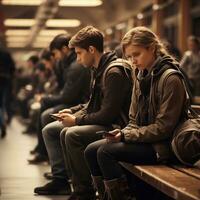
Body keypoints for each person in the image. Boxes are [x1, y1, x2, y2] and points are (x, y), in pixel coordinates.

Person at [84, 26, 188, 200]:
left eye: (137, 54)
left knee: (105, 152)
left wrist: (126, 136)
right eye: (130, 56)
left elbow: (164, 128)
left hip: (165, 146)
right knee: (90, 150)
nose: (133, 61)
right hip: (145, 140)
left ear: (152, 48)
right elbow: (133, 120)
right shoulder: (140, 75)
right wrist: (123, 132)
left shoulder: (171, 79)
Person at [34, 26, 132, 199]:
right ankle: (75, 185)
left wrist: (76, 121)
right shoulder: (98, 69)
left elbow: (108, 114)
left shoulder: (113, 72)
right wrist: (72, 111)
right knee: (57, 130)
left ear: (91, 50)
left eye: (79, 53)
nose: (78, 59)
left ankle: (83, 191)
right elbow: (93, 104)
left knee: (71, 134)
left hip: (118, 127)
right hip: (107, 122)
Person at [28, 34, 91, 164]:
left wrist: (77, 117)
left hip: (77, 103)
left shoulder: (76, 67)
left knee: (46, 115)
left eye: (79, 53)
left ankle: (52, 162)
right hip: (78, 104)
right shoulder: (66, 64)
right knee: (46, 111)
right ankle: (48, 157)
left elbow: (68, 96)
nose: (55, 57)